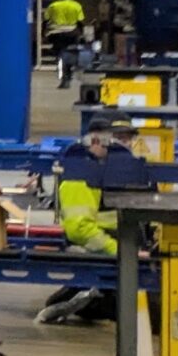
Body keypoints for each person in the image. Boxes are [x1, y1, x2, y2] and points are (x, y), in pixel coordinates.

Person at [37, 121, 138, 325]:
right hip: (106, 252)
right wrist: (122, 252)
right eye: (118, 139)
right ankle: (83, 296)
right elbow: (79, 229)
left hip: (122, 249)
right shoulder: (81, 174)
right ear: (94, 141)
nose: (125, 146)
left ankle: (86, 293)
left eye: (129, 139)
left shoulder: (114, 169)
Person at [44, 0, 89, 88]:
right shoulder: (76, 5)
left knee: (60, 55)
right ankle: (68, 75)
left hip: (56, 34)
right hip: (71, 34)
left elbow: (46, 20)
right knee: (69, 54)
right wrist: (81, 34)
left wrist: (44, 34)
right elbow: (80, 22)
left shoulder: (53, 6)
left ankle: (63, 78)